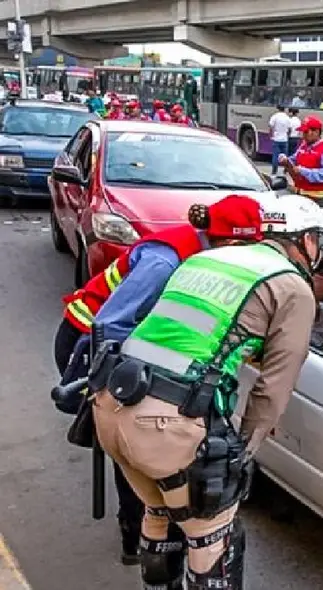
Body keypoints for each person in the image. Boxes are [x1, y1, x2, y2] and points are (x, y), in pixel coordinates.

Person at [91, 196, 323, 590]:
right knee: (213, 541)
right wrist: (240, 457)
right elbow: (273, 389)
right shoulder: (291, 287)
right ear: (303, 240)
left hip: (112, 402)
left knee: (159, 511)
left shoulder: (203, 260)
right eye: (319, 241)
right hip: (169, 424)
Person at [54, 195, 265, 567]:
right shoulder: (165, 259)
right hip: (89, 341)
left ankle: (150, 529)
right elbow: (111, 323)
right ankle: (133, 534)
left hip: (122, 344)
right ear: (230, 242)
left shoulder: (203, 255)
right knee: (134, 444)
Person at [279, 116, 323, 207]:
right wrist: (285, 160)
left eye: (306, 132)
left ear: (316, 132)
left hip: (316, 198)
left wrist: (304, 171)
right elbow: (294, 159)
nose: (303, 135)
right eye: (303, 132)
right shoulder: (303, 146)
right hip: (300, 193)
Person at [269, 105, 292, 176]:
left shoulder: (275, 116)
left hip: (276, 139)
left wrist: (271, 135)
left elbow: (271, 126)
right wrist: (287, 136)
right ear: (284, 109)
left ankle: (274, 171)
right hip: (284, 139)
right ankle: (286, 170)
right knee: (285, 156)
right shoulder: (287, 118)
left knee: (275, 155)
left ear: (278, 109)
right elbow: (290, 129)